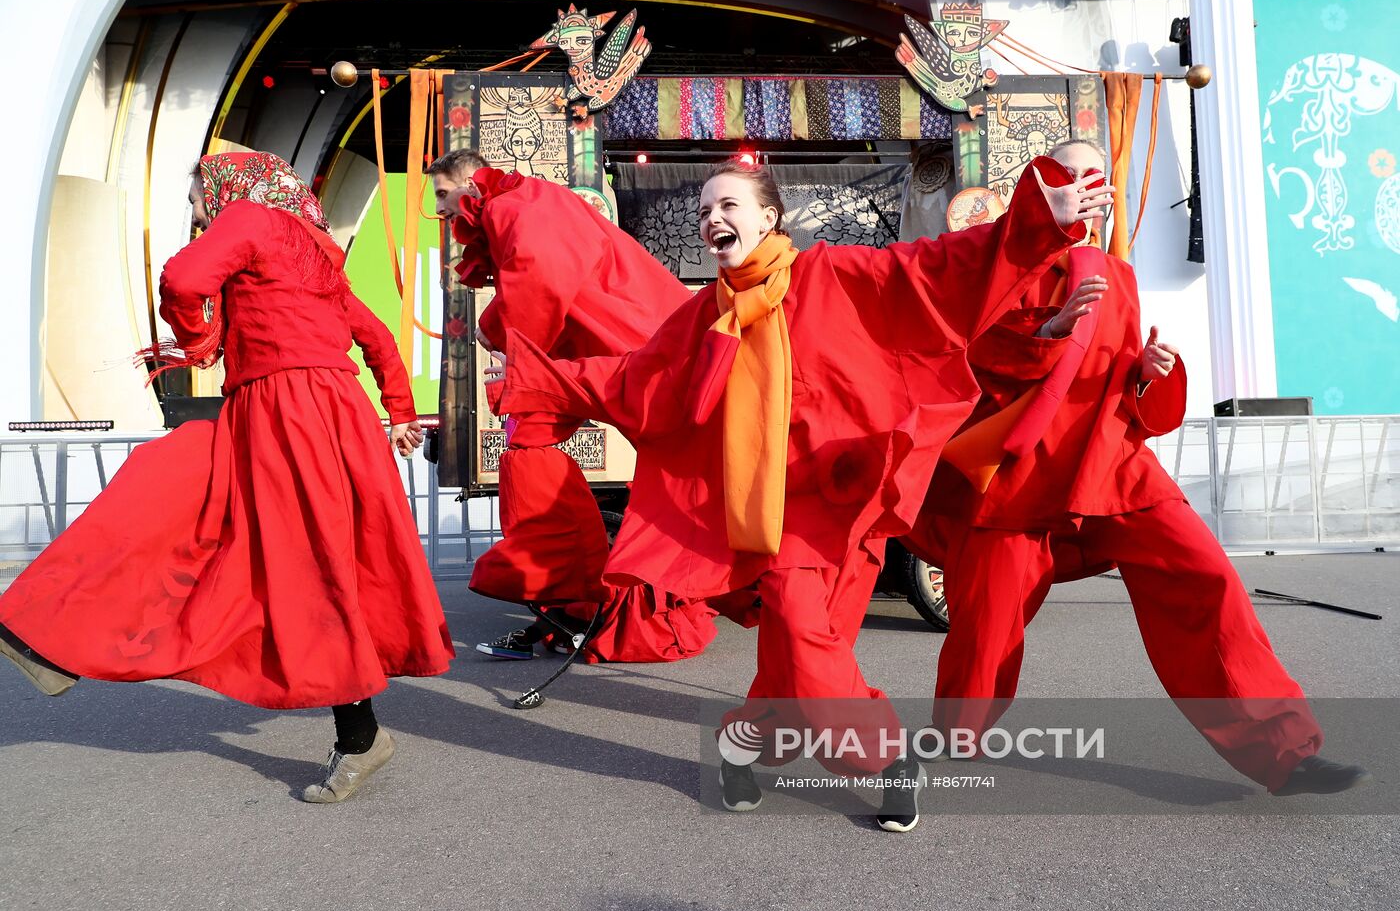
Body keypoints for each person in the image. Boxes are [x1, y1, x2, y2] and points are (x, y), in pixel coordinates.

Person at [483, 155, 1112, 831]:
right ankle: (885, 761)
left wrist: (1036, 222)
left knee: (802, 662)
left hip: (851, 512)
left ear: (769, 217)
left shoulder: (832, 274)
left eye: (727, 204)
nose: (712, 217)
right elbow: (632, 379)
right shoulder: (702, 318)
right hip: (774, 522)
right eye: (703, 211)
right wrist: (531, 377)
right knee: (805, 637)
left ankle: (737, 747)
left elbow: (934, 269)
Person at [903, 139, 1369, 801]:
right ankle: (954, 739)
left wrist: (1148, 374)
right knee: (984, 620)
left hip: (1112, 464)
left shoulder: (1117, 273)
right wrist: (1048, 332)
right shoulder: (995, 265)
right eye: (1070, 177)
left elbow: (1119, 385)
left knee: (1207, 579)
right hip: (1019, 478)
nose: (1089, 190)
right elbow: (965, 363)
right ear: (1042, 188)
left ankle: (1284, 750)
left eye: (1097, 178)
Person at [0, 151, 455, 804]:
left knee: (165, 507)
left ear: (234, 189)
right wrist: (400, 414)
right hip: (331, 419)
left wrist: (198, 340)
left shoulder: (248, 218)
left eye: (197, 197)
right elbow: (378, 339)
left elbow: (184, 278)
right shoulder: (319, 255)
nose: (195, 210)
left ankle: (46, 636)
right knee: (306, 567)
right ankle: (47, 637)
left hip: (281, 415)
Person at [436, 150, 719, 664]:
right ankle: (571, 603)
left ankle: (582, 602)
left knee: (677, 478)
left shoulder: (517, 208)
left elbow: (542, 278)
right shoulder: (525, 206)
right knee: (530, 447)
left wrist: (519, 358)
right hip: (609, 352)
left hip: (635, 351)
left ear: (470, 184)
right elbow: (541, 277)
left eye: (441, 195)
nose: (438, 211)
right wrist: (500, 333)